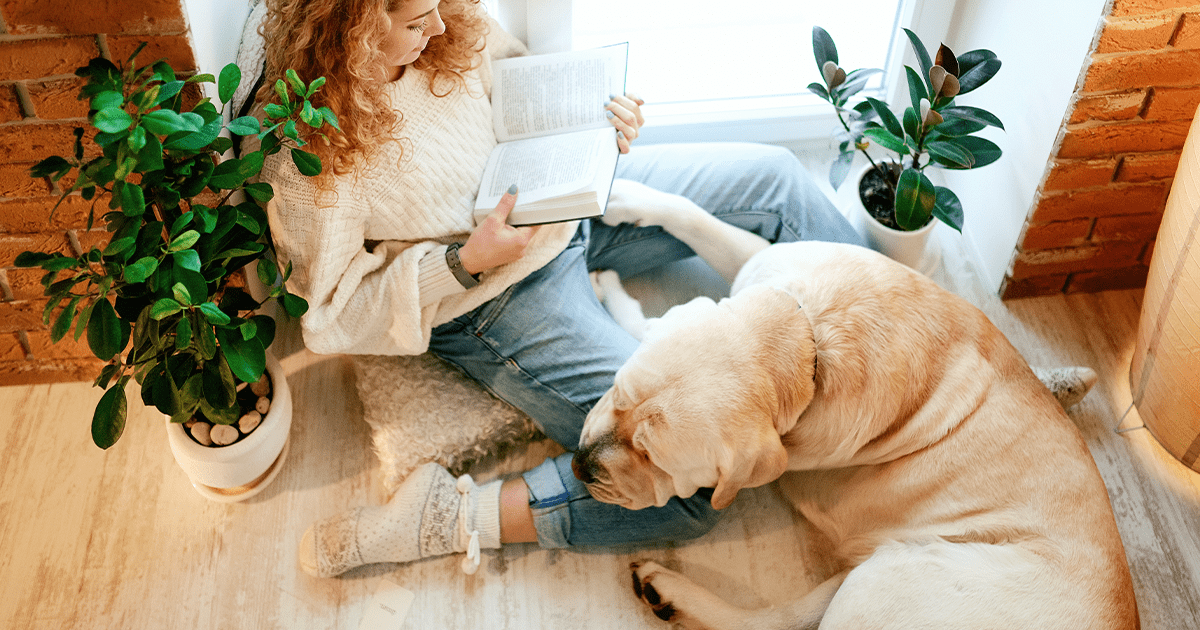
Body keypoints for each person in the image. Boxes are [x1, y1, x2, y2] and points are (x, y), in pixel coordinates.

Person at [255, 0, 864, 577]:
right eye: (417, 20)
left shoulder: (448, 25)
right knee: (690, 486)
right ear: (355, 24)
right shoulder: (311, 155)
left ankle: (874, 339)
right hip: (495, 296)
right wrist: (463, 261)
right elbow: (330, 314)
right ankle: (450, 517)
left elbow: (523, 91)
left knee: (778, 180)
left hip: (572, 204)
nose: (442, 27)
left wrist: (599, 131)